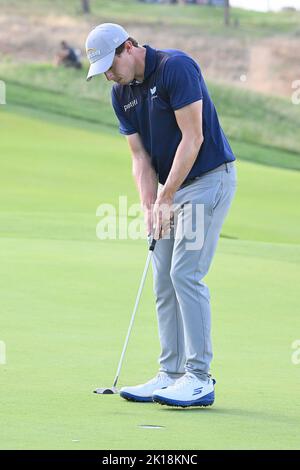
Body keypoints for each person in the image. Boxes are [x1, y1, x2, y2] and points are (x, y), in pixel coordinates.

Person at [86, 23, 237, 407]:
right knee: (162, 279)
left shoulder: (176, 68)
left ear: (129, 47)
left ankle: (199, 377)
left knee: (185, 273)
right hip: (172, 189)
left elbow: (194, 137)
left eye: (110, 65)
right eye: (102, 69)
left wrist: (166, 196)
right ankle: (169, 374)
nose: (108, 74)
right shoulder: (121, 93)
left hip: (207, 180)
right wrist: (149, 207)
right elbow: (140, 158)